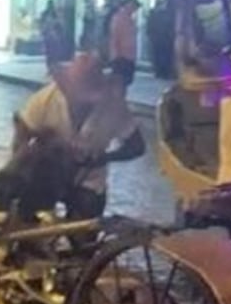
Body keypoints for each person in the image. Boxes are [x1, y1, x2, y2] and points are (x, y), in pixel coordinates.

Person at [13, 52, 145, 223]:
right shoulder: (45, 99)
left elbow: (137, 146)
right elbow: (22, 132)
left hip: (88, 180)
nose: (81, 103)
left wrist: (104, 158)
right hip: (46, 175)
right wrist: (24, 167)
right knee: (27, 224)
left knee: (85, 233)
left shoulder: (113, 106)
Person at [109, 0, 140, 86]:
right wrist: (115, 56)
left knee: (126, 81)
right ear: (128, 5)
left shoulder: (130, 19)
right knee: (120, 82)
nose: (135, 9)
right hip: (121, 56)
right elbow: (115, 37)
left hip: (129, 56)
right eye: (134, 6)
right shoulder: (119, 18)